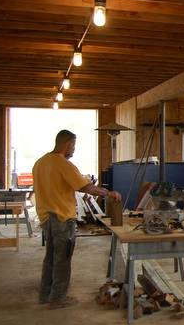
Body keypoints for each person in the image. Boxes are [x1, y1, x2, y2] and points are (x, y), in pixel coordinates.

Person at [33, 129, 121, 309]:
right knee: (63, 259)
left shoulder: (40, 163)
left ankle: (45, 294)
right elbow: (86, 187)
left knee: (50, 258)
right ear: (66, 144)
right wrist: (108, 193)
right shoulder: (63, 164)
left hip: (45, 218)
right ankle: (57, 298)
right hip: (62, 218)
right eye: (74, 145)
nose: (74, 149)